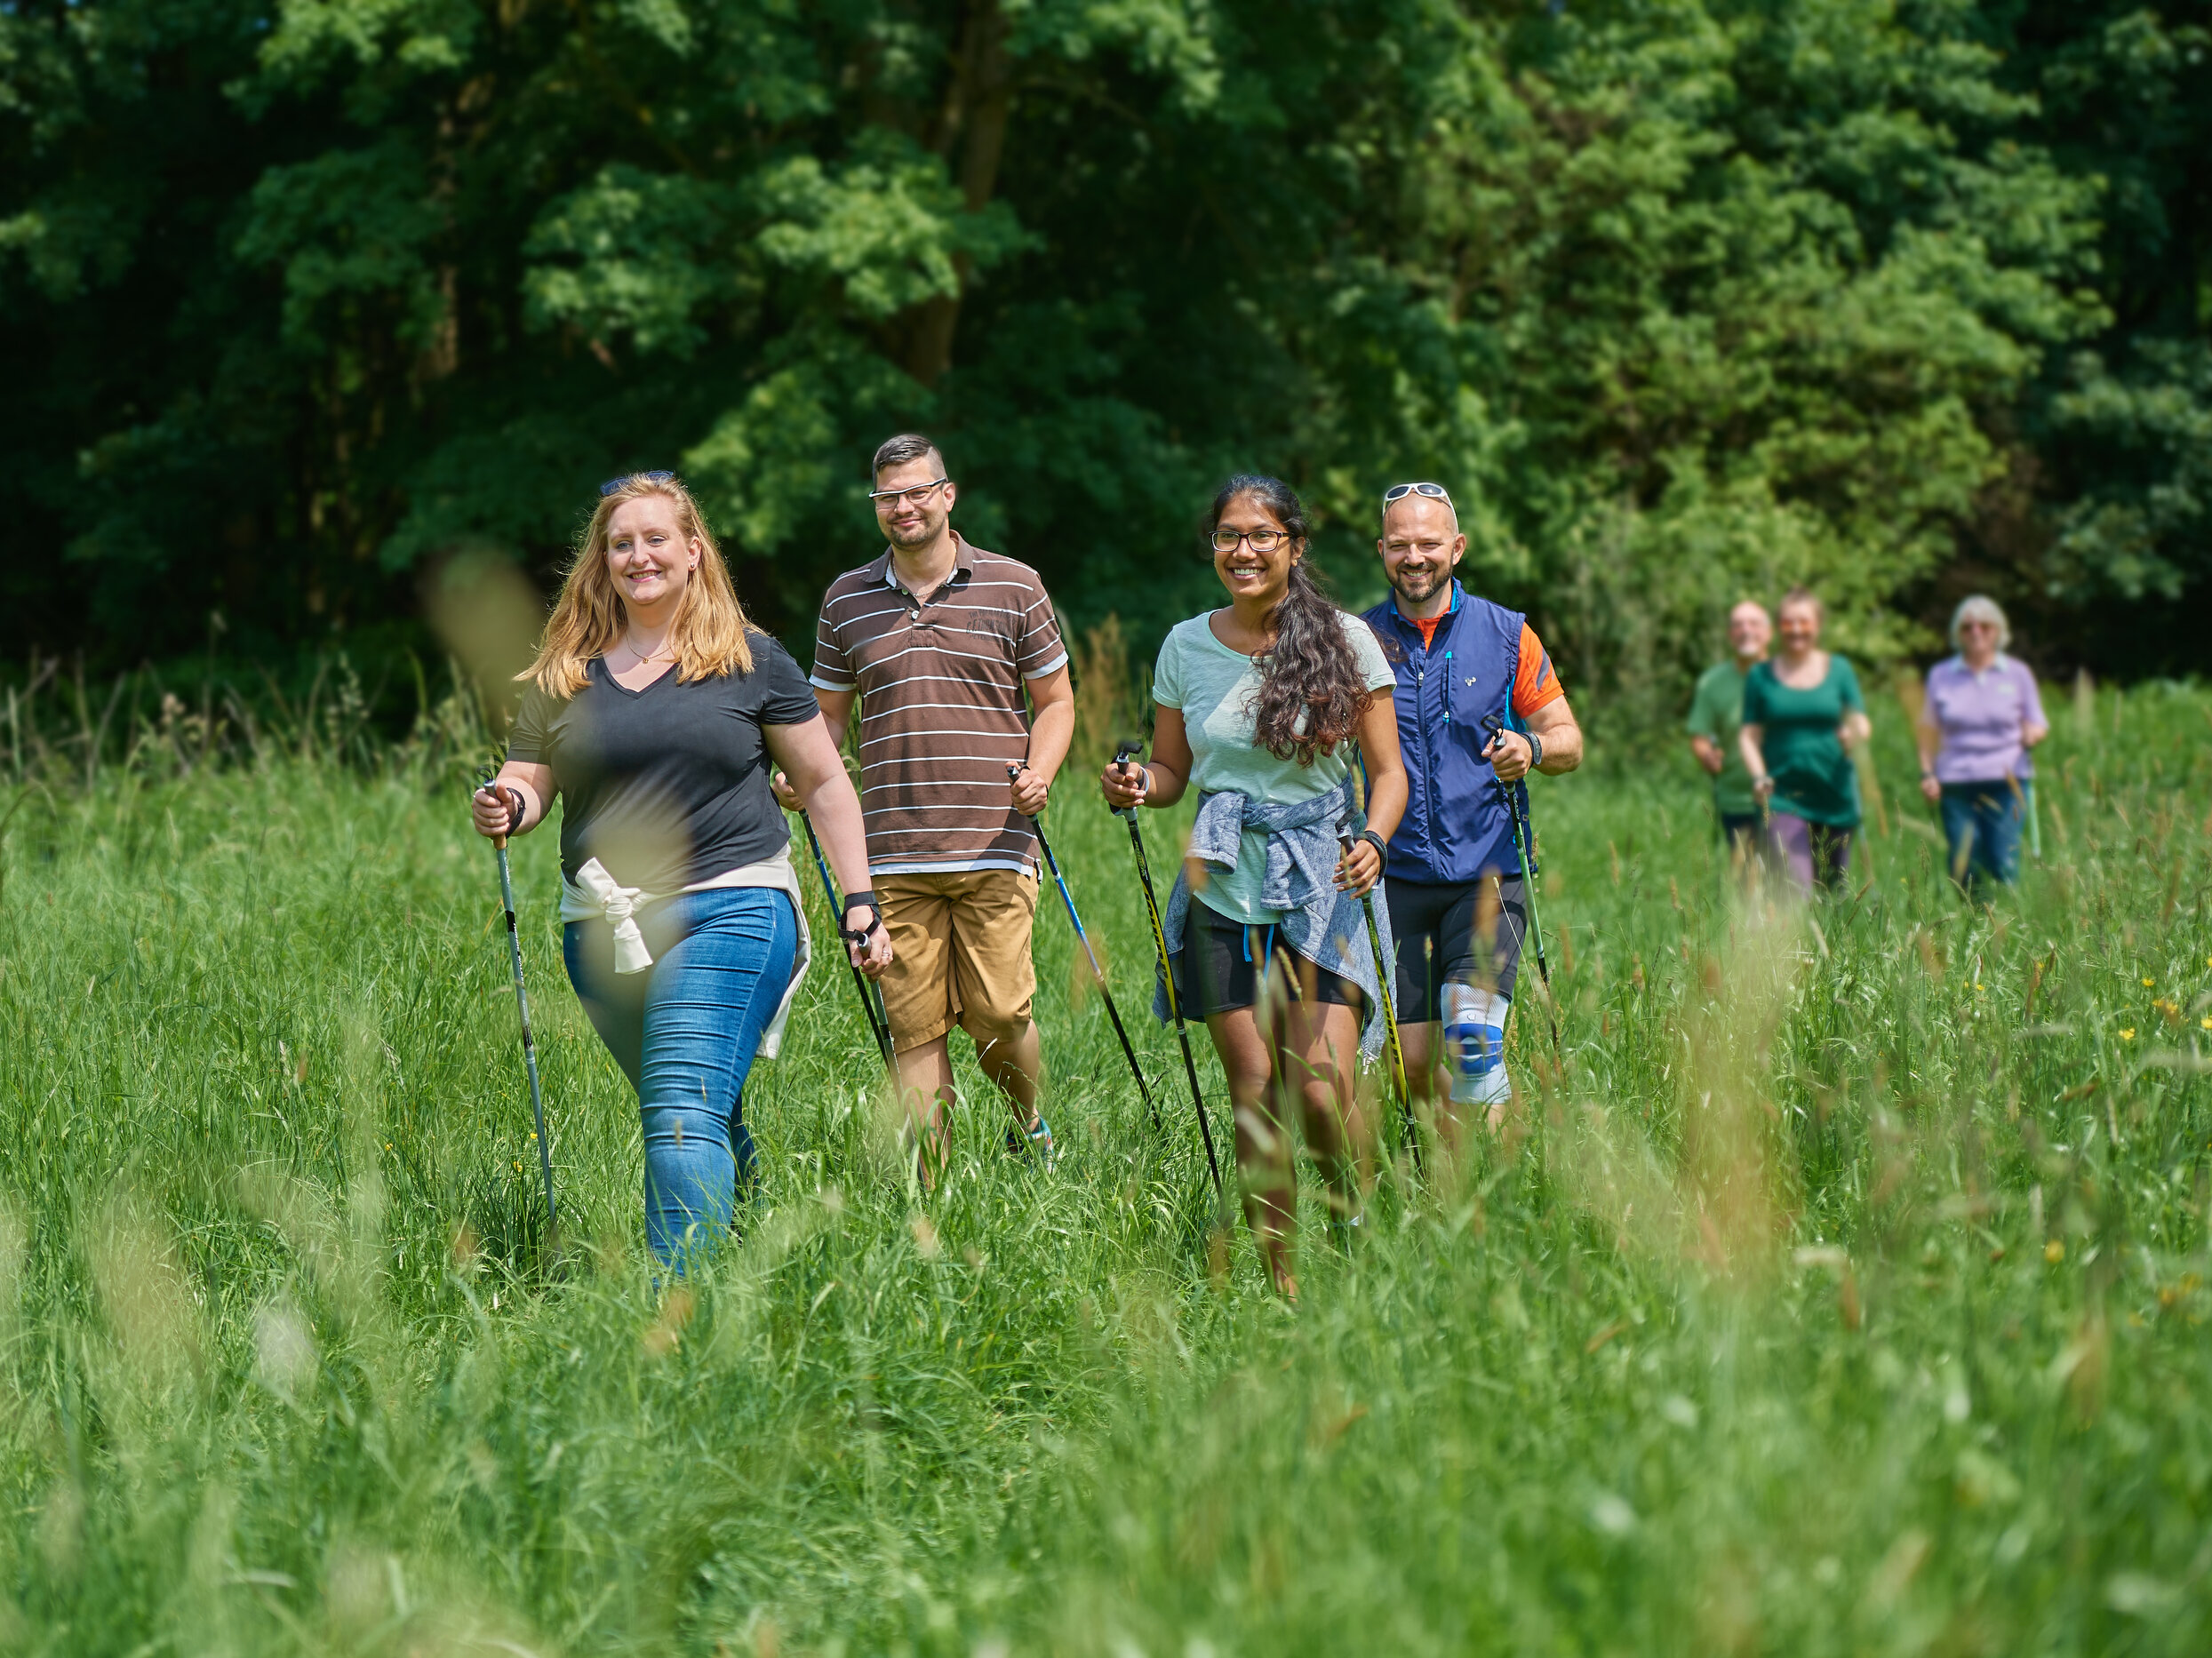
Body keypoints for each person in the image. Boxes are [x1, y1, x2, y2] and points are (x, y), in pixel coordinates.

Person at [472, 472, 889, 1270]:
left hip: (732, 904)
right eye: (620, 543)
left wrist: (860, 902)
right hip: (603, 929)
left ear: (694, 551)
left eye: (656, 538)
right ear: (601, 561)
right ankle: (758, 1256)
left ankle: (677, 1321)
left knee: (678, 1109)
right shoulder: (564, 672)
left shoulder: (751, 660)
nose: (639, 556)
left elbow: (828, 782)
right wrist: (505, 804)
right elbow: (527, 782)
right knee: (701, 1105)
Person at [1100, 474, 1408, 1300]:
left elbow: (1388, 774)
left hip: (1324, 875)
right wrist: (1138, 783)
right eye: (1228, 536)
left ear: (1294, 547)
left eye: (1261, 535)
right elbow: (1172, 771)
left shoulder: (1345, 641)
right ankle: (1283, 1282)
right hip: (1223, 880)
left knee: (1316, 1088)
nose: (1242, 550)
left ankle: (1352, 1221)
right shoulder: (1181, 646)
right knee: (1256, 1095)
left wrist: (1374, 839)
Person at [778, 434, 1074, 1182]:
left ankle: (1027, 1124)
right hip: (889, 854)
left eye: (917, 491)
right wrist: (797, 776)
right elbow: (829, 720)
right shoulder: (846, 599)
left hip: (996, 841)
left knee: (1000, 1018)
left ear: (947, 495)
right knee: (914, 1035)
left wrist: (1040, 771)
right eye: (887, 496)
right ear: (876, 505)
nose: (903, 507)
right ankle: (935, 1201)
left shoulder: (1013, 584)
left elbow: (1056, 701)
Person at [1359, 481, 1582, 1148]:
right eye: (1399, 545)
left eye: (1428, 543)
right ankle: (1436, 1186)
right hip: (1392, 874)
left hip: (1488, 871)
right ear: (1381, 552)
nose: (1414, 557)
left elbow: (1567, 740)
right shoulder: (1356, 640)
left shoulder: (1507, 633)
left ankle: (1494, 1195)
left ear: (1456, 548)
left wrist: (1530, 746)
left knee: (1472, 1042)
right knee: (1414, 1067)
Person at [1738, 587, 1870, 894]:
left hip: (1835, 795)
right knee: (1795, 889)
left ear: (1818, 625)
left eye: (1804, 622)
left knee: (1834, 895)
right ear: (1777, 627)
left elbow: (1861, 720)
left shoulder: (1840, 670)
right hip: (1784, 797)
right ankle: (1795, 942)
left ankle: (1829, 944)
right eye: (1788, 622)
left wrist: (1854, 732)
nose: (1796, 630)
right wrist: (1759, 776)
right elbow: (1749, 735)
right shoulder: (1760, 676)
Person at [1917, 594, 2048, 891]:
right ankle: (1975, 923)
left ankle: (2008, 924)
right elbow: (1927, 731)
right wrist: (1927, 773)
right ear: (1957, 634)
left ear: (1998, 631)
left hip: (2008, 780)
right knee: (1966, 860)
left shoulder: (2017, 673)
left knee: (2003, 858)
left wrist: (2032, 733)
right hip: (1956, 781)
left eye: (1985, 626)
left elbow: (2037, 720)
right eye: (1967, 627)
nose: (1976, 632)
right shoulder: (1941, 675)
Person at [1688, 601, 1771, 864]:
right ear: (1729, 635)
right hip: (1736, 801)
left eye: (1754, 624)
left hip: (1788, 799)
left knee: (1792, 887)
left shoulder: (1789, 676)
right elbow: (1700, 736)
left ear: (1768, 633)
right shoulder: (1712, 683)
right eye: (1737, 625)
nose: (1746, 630)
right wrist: (1706, 757)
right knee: (1749, 888)